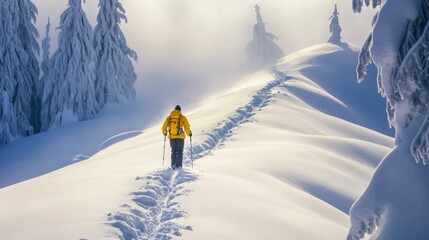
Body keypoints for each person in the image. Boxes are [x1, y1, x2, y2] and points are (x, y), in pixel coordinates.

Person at [162, 105, 192, 169]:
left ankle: (173, 165)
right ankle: (179, 166)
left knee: (173, 151)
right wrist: (189, 134)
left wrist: (165, 132)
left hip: (172, 137)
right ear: (180, 110)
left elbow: (164, 126)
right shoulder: (182, 117)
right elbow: (187, 127)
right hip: (180, 137)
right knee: (180, 151)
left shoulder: (169, 117)